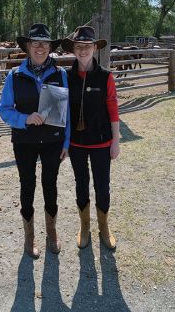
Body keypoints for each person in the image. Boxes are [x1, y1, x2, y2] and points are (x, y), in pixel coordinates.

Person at [0, 23, 70, 258]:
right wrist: (24, 118)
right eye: (35, 43)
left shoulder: (61, 75)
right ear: (28, 46)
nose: (40, 48)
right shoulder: (14, 76)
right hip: (25, 142)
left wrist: (67, 142)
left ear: (50, 47)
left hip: (53, 142)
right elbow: (4, 109)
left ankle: (52, 232)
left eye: (45, 43)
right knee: (27, 185)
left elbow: (66, 113)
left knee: (50, 184)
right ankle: (29, 237)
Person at [62, 26, 120, 250]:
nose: (83, 50)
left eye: (87, 46)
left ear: (95, 48)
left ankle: (103, 227)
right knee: (81, 184)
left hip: (102, 142)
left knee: (103, 186)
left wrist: (116, 140)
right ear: (73, 49)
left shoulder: (106, 76)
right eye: (79, 46)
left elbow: (113, 109)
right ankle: (84, 225)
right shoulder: (65, 77)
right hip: (76, 143)